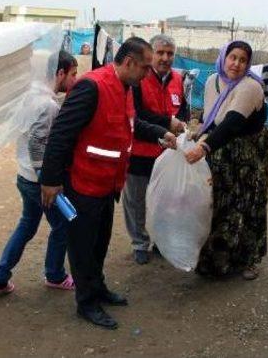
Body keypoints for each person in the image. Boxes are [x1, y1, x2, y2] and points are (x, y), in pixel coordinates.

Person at [40, 37, 177, 330]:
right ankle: (86, 302)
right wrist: (51, 181)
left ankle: (97, 287)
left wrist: (158, 133)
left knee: (99, 242)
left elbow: (130, 125)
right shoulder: (92, 87)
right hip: (81, 185)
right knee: (82, 246)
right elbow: (61, 135)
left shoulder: (127, 88)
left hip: (107, 185)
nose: (147, 74)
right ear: (129, 63)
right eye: (144, 67)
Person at [0, 50, 78, 295]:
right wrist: (46, 180)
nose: (74, 79)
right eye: (72, 73)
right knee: (62, 226)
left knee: (27, 225)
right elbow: (37, 143)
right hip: (39, 181)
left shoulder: (30, 96)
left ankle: (0, 275)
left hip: (24, 175)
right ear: (59, 73)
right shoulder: (48, 105)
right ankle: (55, 274)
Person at [185, 40, 268, 281]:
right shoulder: (213, 81)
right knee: (219, 202)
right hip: (219, 147)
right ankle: (217, 260)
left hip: (247, 151)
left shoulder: (250, 87)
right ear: (224, 57)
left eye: (243, 60)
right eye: (233, 57)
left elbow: (232, 122)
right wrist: (198, 134)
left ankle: (250, 258)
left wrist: (203, 147)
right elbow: (212, 117)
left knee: (247, 202)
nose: (236, 64)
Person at [123, 34, 189, 264]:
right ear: (151, 54)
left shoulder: (178, 80)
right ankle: (140, 242)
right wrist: (167, 123)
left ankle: (162, 240)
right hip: (140, 151)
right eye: (160, 52)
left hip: (168, 154)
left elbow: (183, 112)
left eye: (170, 53)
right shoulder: (138, 78)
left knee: (167, 199)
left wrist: (180, 122)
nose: (165, 58)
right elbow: (136, 116)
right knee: (135, 200)